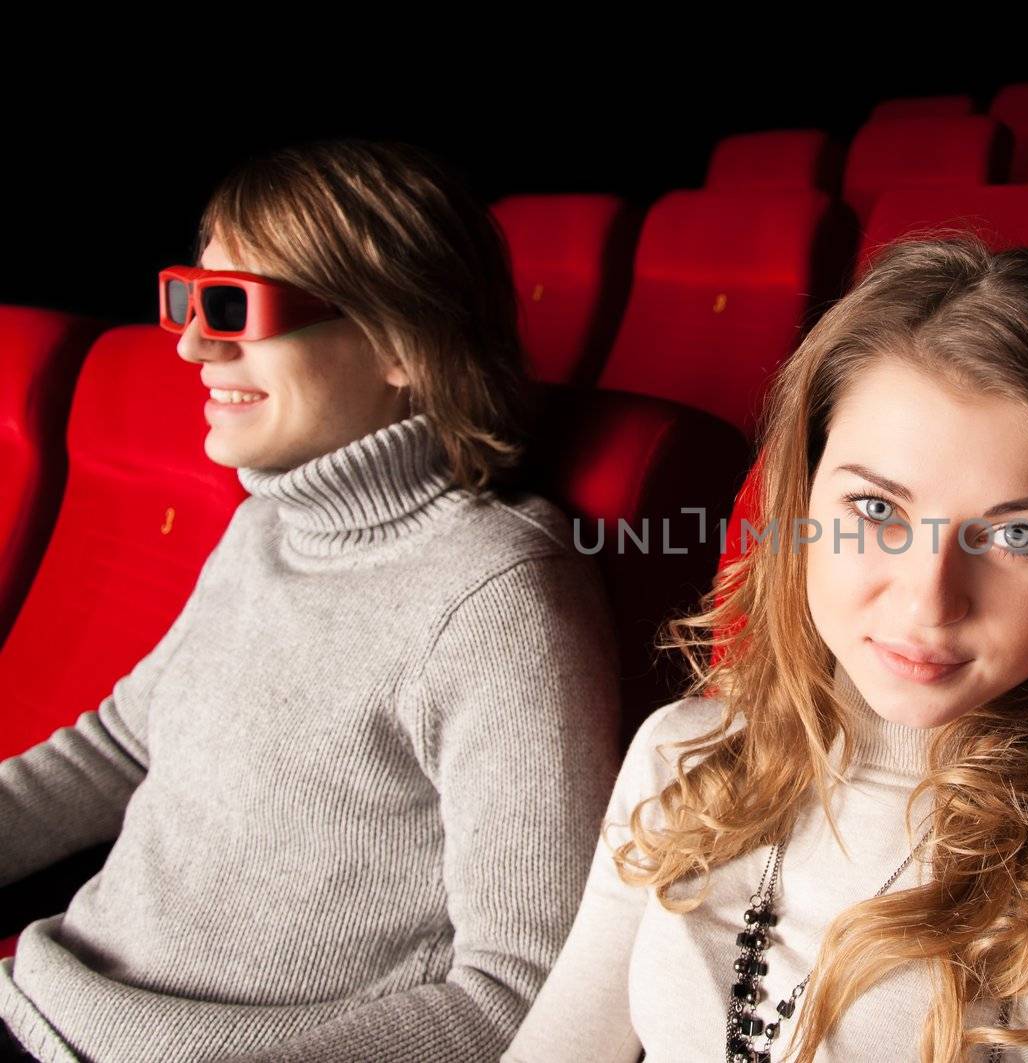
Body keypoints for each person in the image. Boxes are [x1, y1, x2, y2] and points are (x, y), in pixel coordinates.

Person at [505, 236, 1028, 1063]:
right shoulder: (682, 756)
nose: (929, 600)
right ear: (800, 501)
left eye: (1018, 533)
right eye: (878, 511)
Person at [0, 139, 621, 1062]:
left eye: (234, 307)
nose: (192, 343)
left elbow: (519, 988)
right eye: (187, 296)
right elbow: (120, 742)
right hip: (38, 1001)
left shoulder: (500, 596)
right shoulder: (267, 525)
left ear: (404, 341)